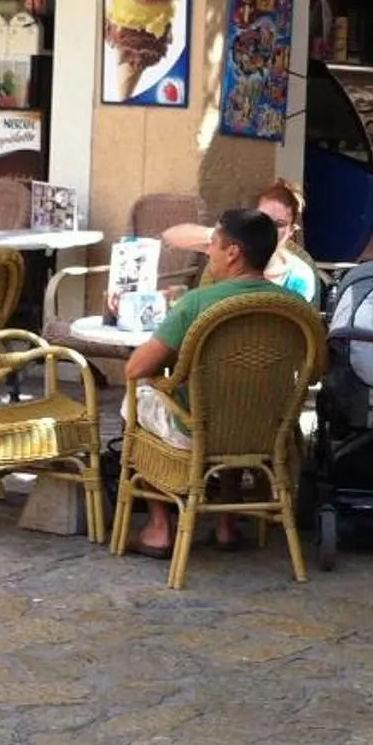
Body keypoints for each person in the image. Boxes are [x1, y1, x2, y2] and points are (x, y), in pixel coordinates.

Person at [123, 207, 283, 557]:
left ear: (233, 252)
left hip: (198, 429)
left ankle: (160, 527)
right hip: (266, 430)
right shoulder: (292, 304)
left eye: (212, 243)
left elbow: (135, 369)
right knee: (232, 400)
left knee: (137, 396)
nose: (207, 250)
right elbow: (317, 372)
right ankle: (225, 525)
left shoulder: (198, 303)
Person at [161, 180, 317, 301]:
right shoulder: (232, 251)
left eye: (279, 224)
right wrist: (221, 236)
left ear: (291, 231)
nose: (267, 227)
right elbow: (170, 236)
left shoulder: (299, 275)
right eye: (262, 219)